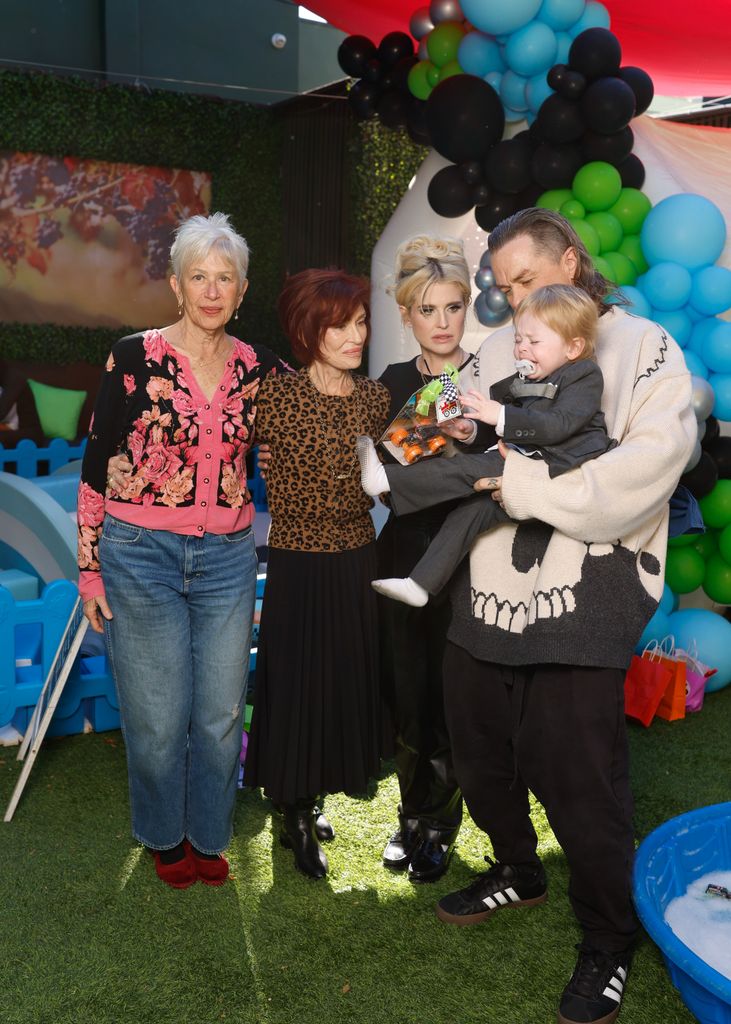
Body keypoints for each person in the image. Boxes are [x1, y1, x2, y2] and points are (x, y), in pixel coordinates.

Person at [432, 209, 695, 1024]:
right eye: (502, 286)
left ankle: (608, 939)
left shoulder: (644, 345)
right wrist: (434, 431)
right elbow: (443, 421)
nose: (512, 301)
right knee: (476, 751)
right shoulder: (494, 347)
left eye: (525, 280)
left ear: (571, 262)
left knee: (580, 780)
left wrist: (523, 487)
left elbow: (646, 469)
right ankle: (517, 866)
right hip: (487, 593)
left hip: (590, 591)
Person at [78, 212, 289, 890]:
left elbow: (319, 411)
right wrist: (88, 567)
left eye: (224, 277)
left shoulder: (257, 368)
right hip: (137, 555)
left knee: (222, 713)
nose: (210, 288)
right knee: (158, 715)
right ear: (176, 285)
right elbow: (95, 460)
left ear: (242, 290)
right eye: (198, 275)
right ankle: (165, 835)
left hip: (227, 557)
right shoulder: (132, 356)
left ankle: (208, 832)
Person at [242, 268, 391, 880]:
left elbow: (399, 474)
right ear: (309, 330)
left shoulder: (377, 399)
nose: (355, 335)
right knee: (298, 681)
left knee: (342, 679)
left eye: (359, 322)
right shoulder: (274, 398)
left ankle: (316, 793)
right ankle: (293, 809)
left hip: (358, 558)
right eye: (339, 325)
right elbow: (221, 455)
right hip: (299, 563)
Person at [360, 284, 614, 607]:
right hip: (521, 465)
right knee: (469, 513)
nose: (522, 349)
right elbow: (507, 425)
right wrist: (469, 428)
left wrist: (502, 416)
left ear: (574, 347)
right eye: (519, 340)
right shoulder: (529, 380)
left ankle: (385, 479)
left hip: (555, 468)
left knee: (463, 470)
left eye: (534, 342)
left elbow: (558, 425)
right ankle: (421, 584)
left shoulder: (584, 375)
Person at [375, 235, 483, 883]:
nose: (441, 323)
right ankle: (412, 817)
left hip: (474, 560)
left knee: (455, 699)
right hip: (403, 553)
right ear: (405, 313)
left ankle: (441, 824)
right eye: (427, 310)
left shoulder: (494, 378)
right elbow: (383, 473)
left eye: (451, 307)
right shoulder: (387, 383)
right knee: (409, 693)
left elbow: (504, 472)